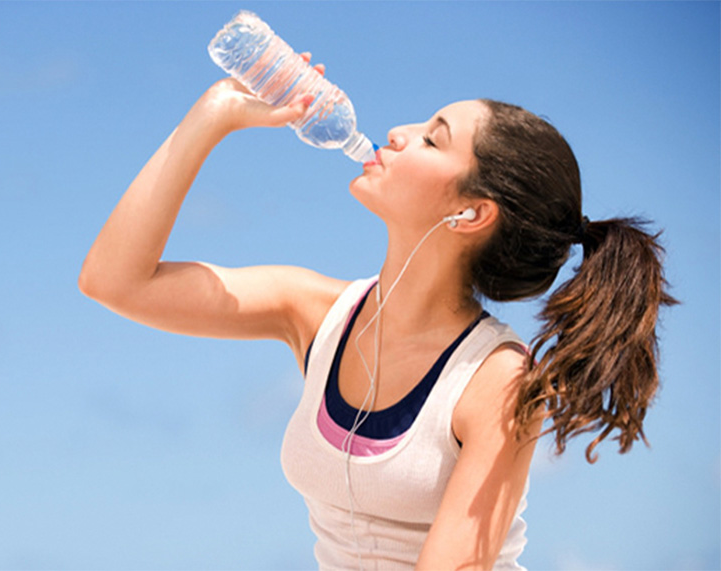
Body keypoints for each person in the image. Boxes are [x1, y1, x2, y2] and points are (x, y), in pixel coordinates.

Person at [78, 54, 675, 569]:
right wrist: (212, 116)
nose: (397, 131)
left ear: (470, 214)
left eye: (432, 138)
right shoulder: (313, 312)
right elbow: (114, 281)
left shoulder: (493, 382)